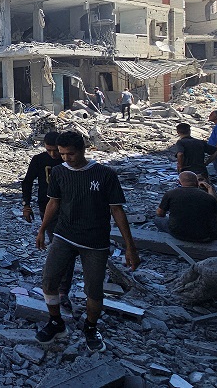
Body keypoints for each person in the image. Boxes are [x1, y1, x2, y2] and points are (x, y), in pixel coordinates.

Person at [35, 131, 139, 352]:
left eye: (70, 154)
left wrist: (130, 247)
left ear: (83, 150)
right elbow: (53, 202)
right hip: (64, 234)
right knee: (49, 280)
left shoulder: (105, 174)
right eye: (62, 154)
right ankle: (56, 322)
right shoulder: (59, 172)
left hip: (95, 240)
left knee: (94, 290)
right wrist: (42, 229)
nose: (65, 158)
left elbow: (117, 210)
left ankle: (91, 328)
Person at [22, 132, 72, 303]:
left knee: (65, 248)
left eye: (55, 151)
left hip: (69, 209)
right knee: (59, 245)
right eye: (49, 150)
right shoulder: (39, 160)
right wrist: (26, 204)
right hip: (47, 208)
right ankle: (59, 288)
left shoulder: (68, 159)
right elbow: (27, 182)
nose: (53, 154)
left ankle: (63, 289)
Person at [154, 172, 217, 242]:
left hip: (177, 233)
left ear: (179, 182)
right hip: (203, 235)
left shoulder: (170, 194)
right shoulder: (209, 197)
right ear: (197, 182)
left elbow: (160, 213)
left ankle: (166, 240)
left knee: (157, 219)